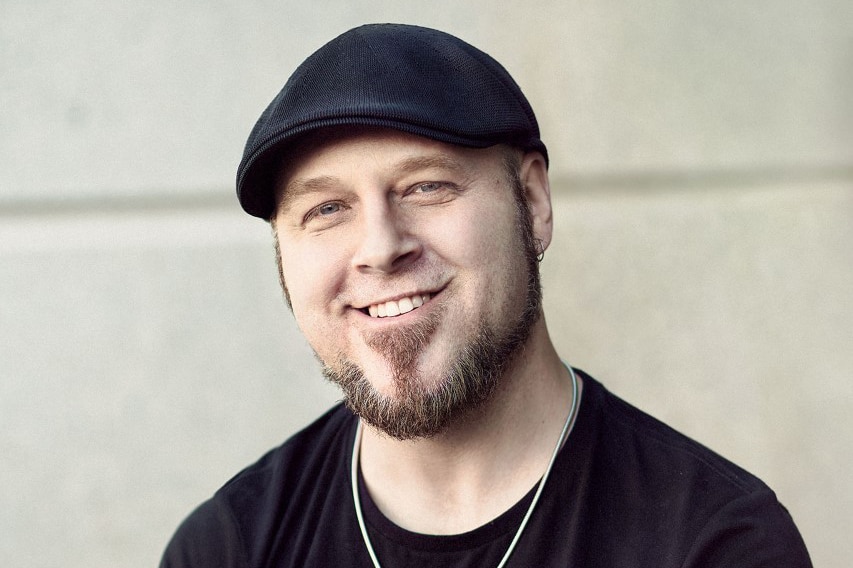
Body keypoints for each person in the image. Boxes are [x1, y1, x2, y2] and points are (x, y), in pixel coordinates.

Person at [160, 23, 812, 567]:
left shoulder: (711, 541)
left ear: (530, 203)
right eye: (328, 209)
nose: (380, 246)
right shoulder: (229, 548)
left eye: (426, 187)